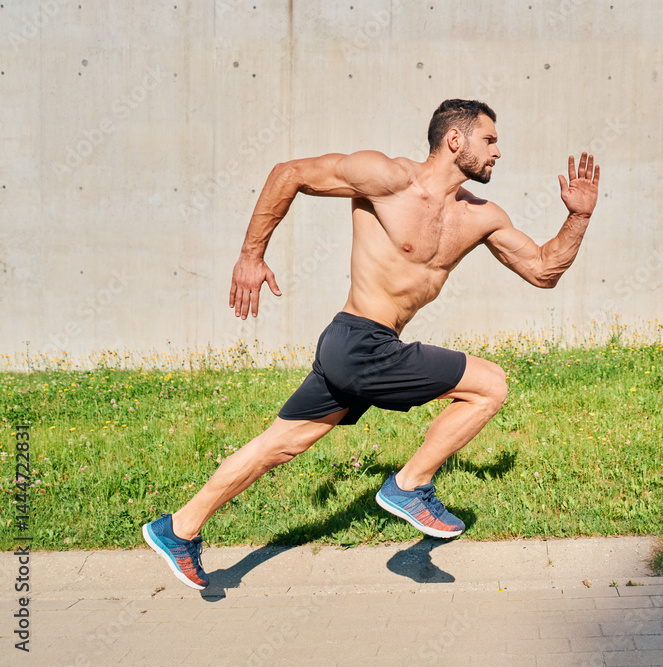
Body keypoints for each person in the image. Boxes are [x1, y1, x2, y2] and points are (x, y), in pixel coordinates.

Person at [142, 99, 600, 590]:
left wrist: (579, 217)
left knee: (276, 446)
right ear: (455, 140)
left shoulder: (482, 216)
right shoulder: (386, 179)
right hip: (358, 340)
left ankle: (178, 528)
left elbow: (544, 270)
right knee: (490, 385)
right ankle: (410, 486)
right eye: (489, 140)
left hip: (363, 351)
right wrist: (251, 256)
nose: (498, 152)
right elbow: (289, 173)